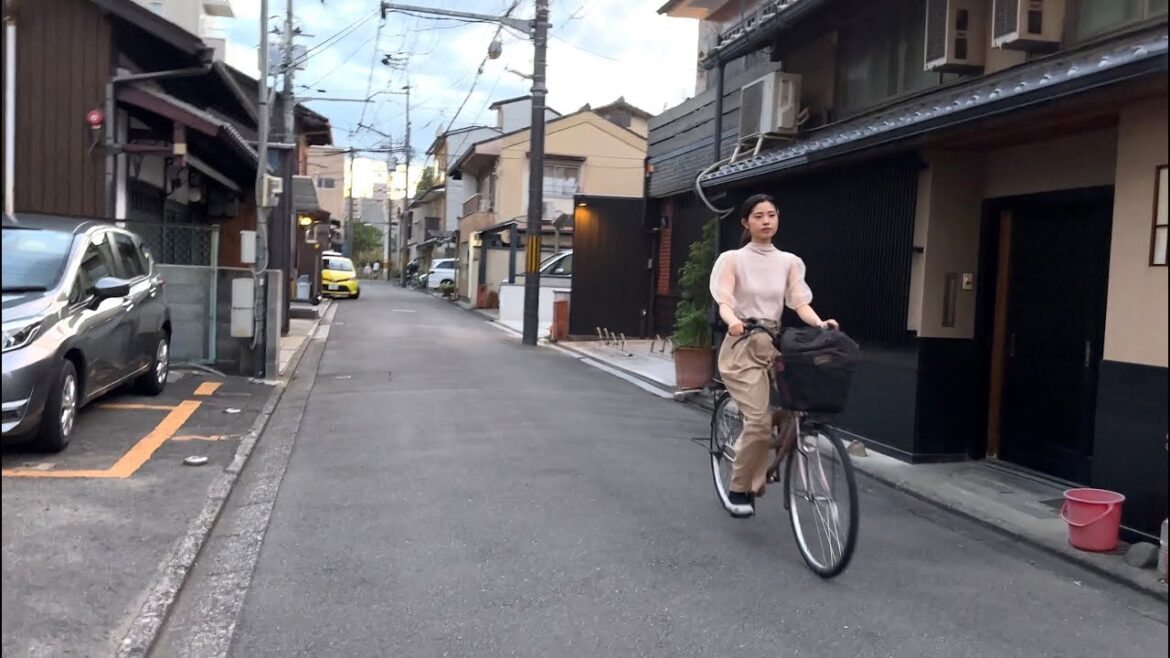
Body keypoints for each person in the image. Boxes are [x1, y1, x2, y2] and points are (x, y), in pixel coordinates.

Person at [709, 193, 839, 519]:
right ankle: (739, 488)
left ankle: (771, 450)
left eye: (771, 215)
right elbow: (724, 301)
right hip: (742, 346)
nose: (766, 221)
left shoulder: (788, 262)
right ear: (746, 222)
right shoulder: (733, 259)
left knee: (799, 408)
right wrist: (733, 321)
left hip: (774, 344)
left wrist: (820, 323)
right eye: (758, 216)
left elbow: (800, 303)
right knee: (757, 421)